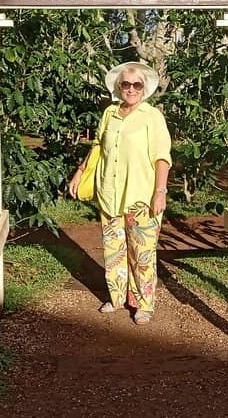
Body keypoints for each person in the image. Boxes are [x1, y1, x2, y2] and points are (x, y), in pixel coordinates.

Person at [67, 61, 171, 325]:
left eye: (137, 84)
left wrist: (160, 191)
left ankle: (144, 304)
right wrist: (80, 171)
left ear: (144, 88)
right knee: (114, 250)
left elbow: (162, 156)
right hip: (110, 193)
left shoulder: (152, 116)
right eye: (126, 84)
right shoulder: (110, 113)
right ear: (119, 86)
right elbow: (97, 146)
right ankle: (117, 297)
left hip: (141, 196)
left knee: (142, 253)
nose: (131, 89)